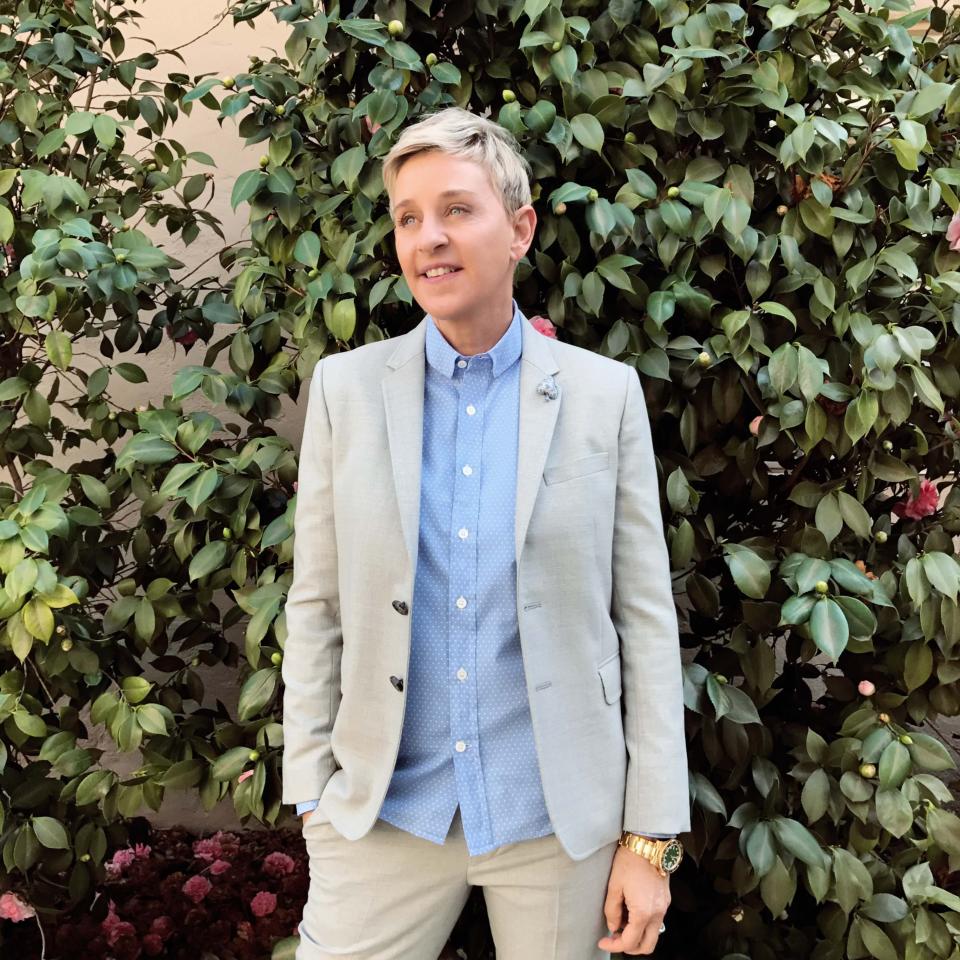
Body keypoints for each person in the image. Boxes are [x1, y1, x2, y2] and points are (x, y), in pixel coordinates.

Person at [281, 105, 690, 960]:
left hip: (556, 823)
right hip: (383, 814)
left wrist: (646, 840)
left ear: (520, 228)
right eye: (407, 218)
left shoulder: (601, 396)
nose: (428, 237)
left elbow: (644, 621)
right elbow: (315, 603)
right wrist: (313, 792)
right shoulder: (344, 391)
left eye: (457, 209)